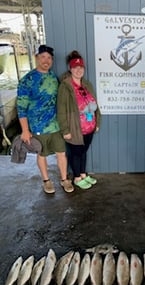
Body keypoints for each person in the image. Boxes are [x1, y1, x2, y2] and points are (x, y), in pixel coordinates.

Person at [16, 44, 74, 194]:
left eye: (49, 58)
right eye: (43, 57)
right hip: (38, 127)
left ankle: (64, 179)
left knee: (61, 153)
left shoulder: (53, 77)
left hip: (56, 126)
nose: (46, 60)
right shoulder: (27, 80)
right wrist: (25, 130)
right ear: (37, 58)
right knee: (42, 154)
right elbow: (21, 107)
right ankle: (46, 181)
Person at [57, 50, 101, 189]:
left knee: (83, 152)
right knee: (76, 153)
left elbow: (96, 104)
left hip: (89, 127)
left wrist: (97, 122)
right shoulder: (65, 87)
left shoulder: (87, 84)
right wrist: (65, 130)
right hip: (75, 128)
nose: (78, 70)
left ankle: (83, 174)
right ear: (70, 69)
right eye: (75, 67)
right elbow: (61, 110)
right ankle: (76, 177)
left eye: (81, 67)